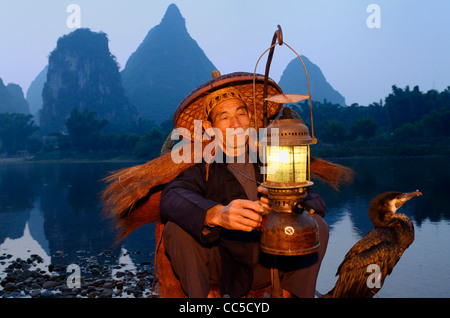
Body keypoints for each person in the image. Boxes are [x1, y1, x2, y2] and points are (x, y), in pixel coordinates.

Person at [159, 73, 329, 298]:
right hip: (223, 265)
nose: (236, 123)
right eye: (225, 117)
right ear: (210, 127)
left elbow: (317, 201)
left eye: (241, 114)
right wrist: (216, 214)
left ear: (250, 119)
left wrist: (288, 204)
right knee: (176, 230)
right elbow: (172, 196)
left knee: (316, 224)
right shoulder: (203, 166)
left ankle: (290, 294)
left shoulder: (271, 161)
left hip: (267, 260)